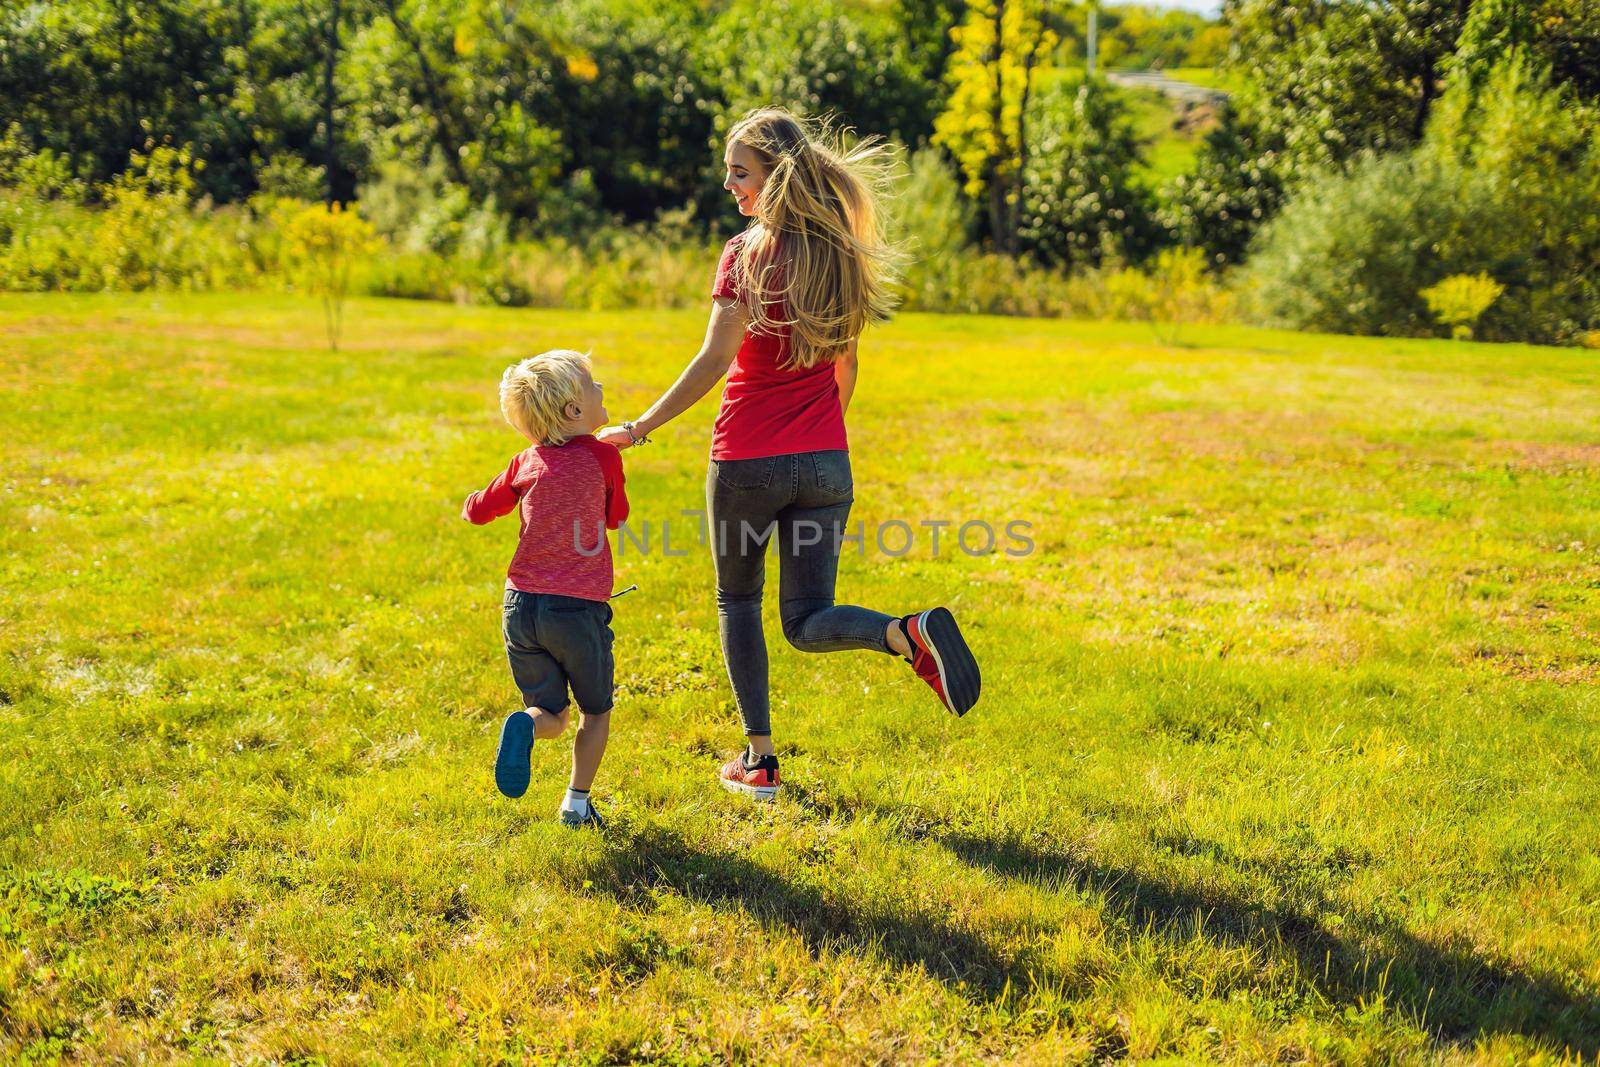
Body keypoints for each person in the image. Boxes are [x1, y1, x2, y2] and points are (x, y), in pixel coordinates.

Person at [597, 107, 979, 802]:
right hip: (827, 464)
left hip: (746, 460)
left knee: (736, 600)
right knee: (807, 617)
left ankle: (760, 761)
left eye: (740, 173)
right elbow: (848, 366)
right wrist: (823, 439)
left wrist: (641, 424)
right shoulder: (839, 250)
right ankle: (904, 632)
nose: (729, 185)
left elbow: (715, 357)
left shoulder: (747, 251)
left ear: (776, 175)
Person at [463, 350, 628, 828]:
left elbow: (480, 509)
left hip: (521, 608)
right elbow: (616, 518)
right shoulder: (602, 456)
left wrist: (469, 502)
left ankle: (527, 726)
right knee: (595, 712)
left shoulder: (525, 462)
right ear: (575, 412)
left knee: (549, 712)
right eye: (593, 385)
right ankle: (576, 803)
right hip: (577, 611)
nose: (601, 390)